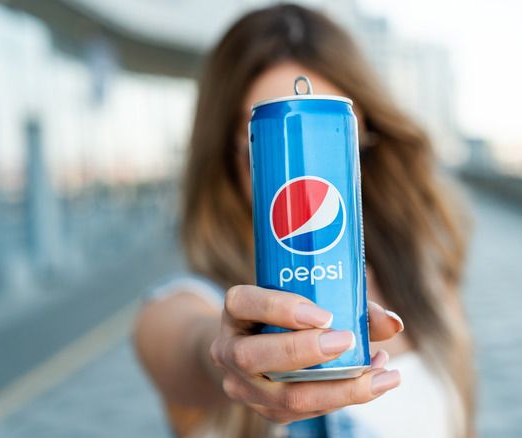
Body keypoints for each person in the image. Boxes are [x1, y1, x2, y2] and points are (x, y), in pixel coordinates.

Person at [134, 4, 475, 437]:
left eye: (329, 143)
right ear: (226, 157)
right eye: (266, 146)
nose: (306, 171)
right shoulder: (189, 304)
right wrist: (231, 352)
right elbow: (188, 347)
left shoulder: (428, 281)